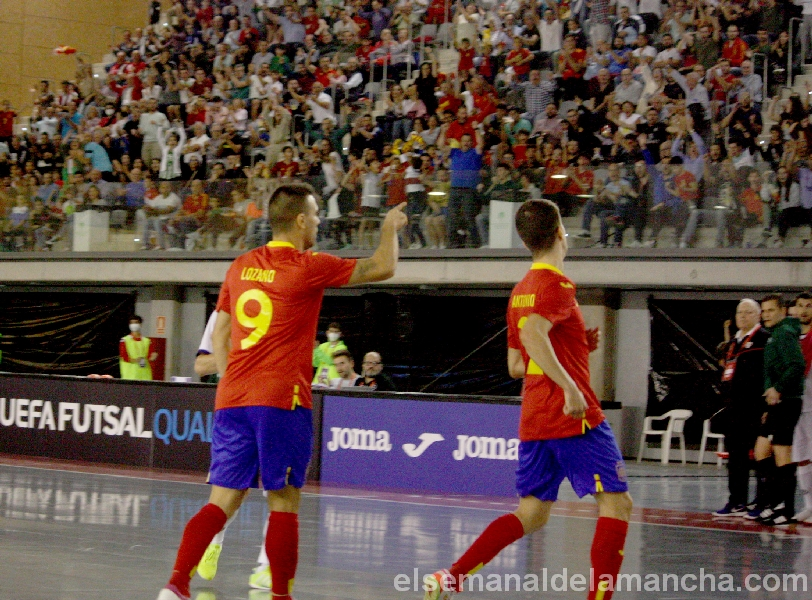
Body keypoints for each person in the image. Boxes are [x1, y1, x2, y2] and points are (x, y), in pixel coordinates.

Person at [155, 183, 407, 600]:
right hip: (280, 400)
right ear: (301, 220)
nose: (320, 222)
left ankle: (176, 585)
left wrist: (232, 379)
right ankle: (280, 596)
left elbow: (220, 334)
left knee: (220, 502)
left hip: (233, 400)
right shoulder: (307, 266)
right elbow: (383, 266)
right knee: (284, 503)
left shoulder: (240, 266)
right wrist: (389, 229)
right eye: (317, 215)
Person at [424, 199, 632, 600]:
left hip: (535, 417)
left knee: (532, 513)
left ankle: (450, 578)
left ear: (524, 242)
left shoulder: (520, 291)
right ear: (560, 233)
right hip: (571, 415)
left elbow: (517, 365)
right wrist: (570, 385)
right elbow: (534, 334)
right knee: (616, 503)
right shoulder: (557, 285)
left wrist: (574, 348)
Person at [192, 309, 272, 589]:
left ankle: (266, 566)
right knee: (232, 492)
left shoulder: (284, 303)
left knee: (279, 489)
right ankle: (213, 541)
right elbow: (201, 366)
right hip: (236, 410)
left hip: (276, 406)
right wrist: (239, 357)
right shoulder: (222, 314)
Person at [745, 294, 806, 526]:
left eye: (771, 310)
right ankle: (773, 501)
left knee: (782, 454)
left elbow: (797, 365)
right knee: (761, 451)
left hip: (787, 401)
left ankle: (785, 508)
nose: (766, 315)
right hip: (775, 403)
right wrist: (769, 396)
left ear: (782, 311)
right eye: (764, 311)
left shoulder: (785, 333)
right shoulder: (774, 335)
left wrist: (778, 389)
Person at [712, 299, 769, 517]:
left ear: (758, 315)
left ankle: (762, 502)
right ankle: (736, 500)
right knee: (736, 456)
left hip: (755, 407)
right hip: (733, 408)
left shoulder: (763, 339)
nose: (743, 316)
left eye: (748, 312)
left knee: (761, 457)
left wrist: (765, 406)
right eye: (739, 312)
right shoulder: (734, 342)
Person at [791, 293, 812, 523]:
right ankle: (809, 506)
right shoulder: (792, 337)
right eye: (800, 306)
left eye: (809, 306)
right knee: (802, 457)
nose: (804, 310)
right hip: (797, 405)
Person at [119, 315, 158, 380]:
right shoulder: (124, 340)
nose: (133, 325)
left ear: (140, 324)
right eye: (131, 323)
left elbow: (150, 357)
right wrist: (136, 360)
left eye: (136, 322)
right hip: (130, 376)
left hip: (145, 376)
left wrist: (153, 357)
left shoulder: (147, 341)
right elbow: (124, 357)